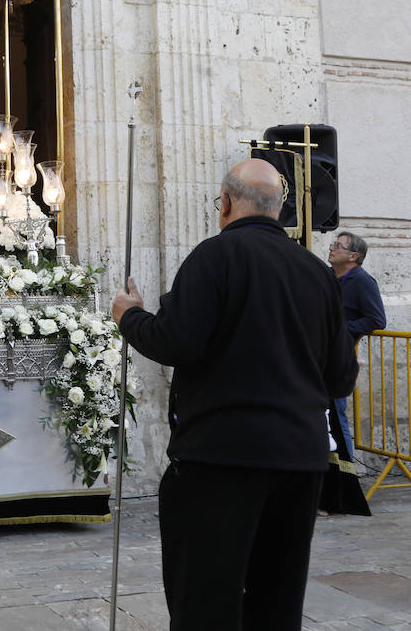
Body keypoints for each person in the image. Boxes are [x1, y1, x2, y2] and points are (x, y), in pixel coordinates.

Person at [112, 158, 358, 630]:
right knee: (277, 602)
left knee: (205, 602)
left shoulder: (214, 257)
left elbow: (176, 341)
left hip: (221, 462)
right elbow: (341, 376)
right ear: (279, 209)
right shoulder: (317, 273)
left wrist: (130, 316)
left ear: (224, 203)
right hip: (298, 463)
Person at [327, 230, 386, 457]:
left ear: (354, 256)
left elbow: (377, 319)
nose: (332, 248)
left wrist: (340, 327)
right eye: (333, 244)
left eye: (339, 246)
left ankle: (347, 470)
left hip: (341, 356)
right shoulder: (329, 276)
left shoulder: (362, 280)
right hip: (324, 354)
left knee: (337, 412)